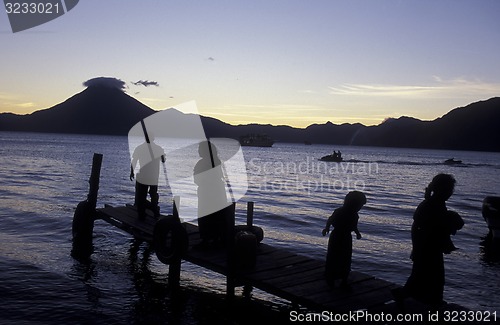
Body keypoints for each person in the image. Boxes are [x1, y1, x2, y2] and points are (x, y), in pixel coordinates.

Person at [397, 173, 462, 307]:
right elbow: (419, 227)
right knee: (432, 277)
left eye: (451, 190)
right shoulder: (431, 205)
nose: (450, 193)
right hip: (427, 248)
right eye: (448, 189)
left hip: (430, 247)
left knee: (424, 276)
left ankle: (431, 299)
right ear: (440, 189)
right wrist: (417, 248)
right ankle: (431, 300)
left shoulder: (436, 203)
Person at [322, 191, 366, 288]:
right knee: (335, 256)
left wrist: (357, 233)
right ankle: (332, 278)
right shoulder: (340, 212)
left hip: (345, 236)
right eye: (359, 206)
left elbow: (354, 226)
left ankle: (343, 279)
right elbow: (330, 219)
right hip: (338, 236)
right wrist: (327, 228)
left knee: (345, 257)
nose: (360, 208)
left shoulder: (354, 214)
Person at [193, 140, 228, 246]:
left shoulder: (202, 163)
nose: (198, 151)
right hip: (219, 190)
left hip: (206, 191)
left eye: (200, 149)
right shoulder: (217, 161)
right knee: (218, 215)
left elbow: (197, 178)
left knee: (205, 214)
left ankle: (206, 238)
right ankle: (217, 237)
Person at [130, 133, 165, 220]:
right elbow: (163, 160)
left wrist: (132, 172)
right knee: (153, 195)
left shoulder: (139, 148)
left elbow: (134, 161)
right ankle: (155, 211)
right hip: (154, 176)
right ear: (153, 138)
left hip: (143, 175)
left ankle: (143, 214)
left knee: (141, 196)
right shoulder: (158, 148)